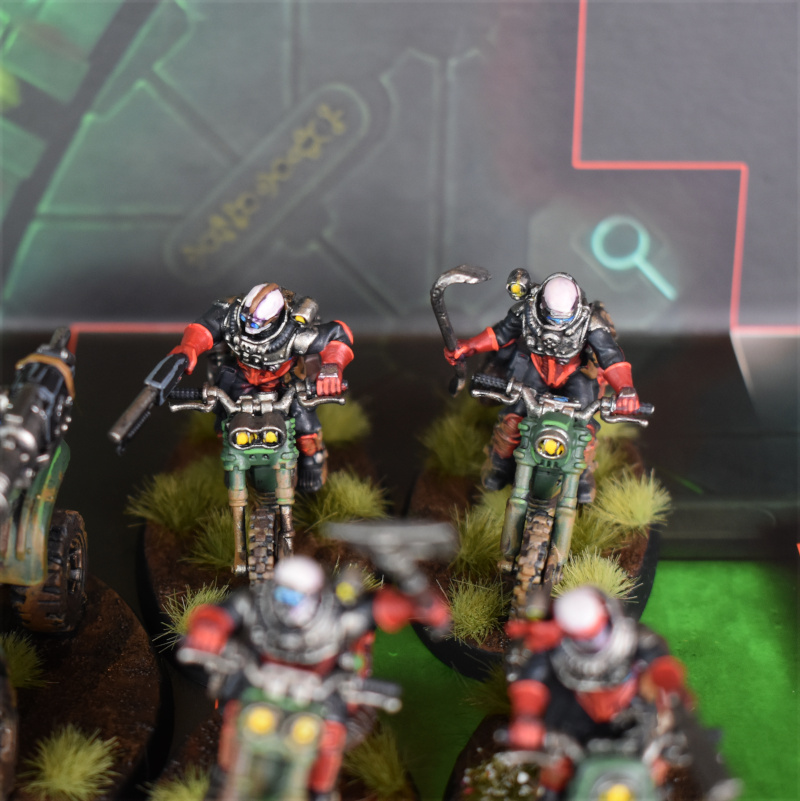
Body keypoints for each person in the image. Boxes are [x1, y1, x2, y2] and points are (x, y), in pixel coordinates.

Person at [182, 555, 449, 801]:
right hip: (261, 678)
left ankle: (320, 791)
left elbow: (378, 607)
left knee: (330, 735)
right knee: (236, 715)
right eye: (284, 592)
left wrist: (415, 606)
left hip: (322, 687)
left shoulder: (337, 613)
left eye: (299, 596)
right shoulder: (254, 602)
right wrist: (208, 627)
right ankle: (225, 776)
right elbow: (219, 614)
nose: (290, 602)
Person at [445, 271, 640, 501]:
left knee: (584, 427)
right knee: (513, 419)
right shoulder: (526, 310)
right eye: (553, 316)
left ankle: (582, 472)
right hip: (537, 369)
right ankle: (500, 464)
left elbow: (612, 358)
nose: (558, 323)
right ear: (543, 305)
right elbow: (500, 334)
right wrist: (470, 346)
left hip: (576, 373)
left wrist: (626, 389)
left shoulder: (590, 322)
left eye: (563, 318)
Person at [170, 283, 354, 491]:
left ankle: (313, 459)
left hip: (283, 380)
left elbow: (339, 334)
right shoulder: (231, 318)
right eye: (246, 319)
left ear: (273, 320)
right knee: (225, 422)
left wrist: (331, 367)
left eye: (257, 323)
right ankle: (233, 457)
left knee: (305, 426)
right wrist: (189, 347)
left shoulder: (296, 333)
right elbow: (203, 327)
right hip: (243, 377)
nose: (250, 326)